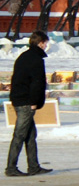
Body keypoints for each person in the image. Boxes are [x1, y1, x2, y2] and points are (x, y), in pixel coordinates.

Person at [6, 31, 53, 177]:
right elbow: (36, 83)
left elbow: (17, 79)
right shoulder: (36, 59)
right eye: (45, 43)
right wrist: (34, 102)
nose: (46, 46)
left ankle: (34, 166)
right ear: (40, 43)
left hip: (19, 100)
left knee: (30, 135)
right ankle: (11, 168)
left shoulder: (24, 56)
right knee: (20, 135)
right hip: (26, 102)